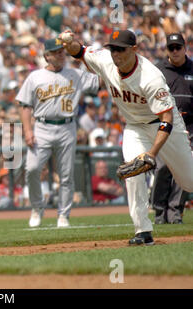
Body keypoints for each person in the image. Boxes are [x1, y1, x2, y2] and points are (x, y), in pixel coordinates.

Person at [61, 29, 193, 245]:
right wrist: (70, 44)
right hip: (135, 127)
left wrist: (151, 154)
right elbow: (81, 52)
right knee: (133, 172)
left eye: (121, 49)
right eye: (112, 49)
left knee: (189, 183)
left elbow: (166, 118)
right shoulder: (105, 60)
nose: (116, 54)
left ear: (134, 49)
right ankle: (143, 231)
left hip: (165, 125)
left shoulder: (150, 76)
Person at [17, 38, 99, 228]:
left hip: (67, 127)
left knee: (66, 175)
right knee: (32, 169)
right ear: (47, 56)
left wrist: (85, 55)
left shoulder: (76, 74)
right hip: (42, 127)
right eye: (56, 52)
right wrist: (28, 130)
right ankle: (37, 208)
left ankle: (63, 214)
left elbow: (99, 80)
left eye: (62, 51)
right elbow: (24, 105)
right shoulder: (35, 77)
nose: (61, 55)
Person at [151, 33, 193, 224]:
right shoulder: (158, 70)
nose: (175, 51)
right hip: (165, 126)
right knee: (162, 168)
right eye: (171, 48)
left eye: (178, 47)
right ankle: (160, 213)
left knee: (183, 171)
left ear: (185, 48)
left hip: (189, 125)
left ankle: (175, 213)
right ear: (166, 50)